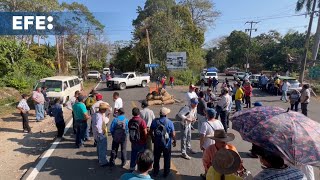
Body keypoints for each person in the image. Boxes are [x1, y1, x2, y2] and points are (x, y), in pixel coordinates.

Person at [150, 107, 176, 178]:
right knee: (167, 158)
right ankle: (166, 172)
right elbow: (173, 134)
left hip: (157, 143)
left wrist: (153, 139)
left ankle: (155, 171)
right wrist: (174, 140)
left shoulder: (155, 121)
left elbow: (151, 131)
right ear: (166, 114)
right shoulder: (169, 122)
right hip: (167, 144)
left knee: (156, 157)